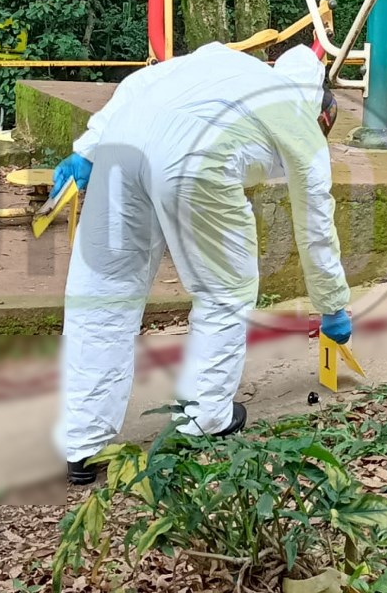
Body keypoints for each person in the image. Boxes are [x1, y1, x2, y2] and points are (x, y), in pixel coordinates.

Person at [50, 42, 353, 485]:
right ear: (323, 109)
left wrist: (89, 146)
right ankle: (205, 417)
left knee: (102, 296)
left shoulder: (222, 59)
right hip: (196, 160)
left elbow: (142, 80)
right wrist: (333, 304)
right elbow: (315, 222)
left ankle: (84, 444)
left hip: (121, 145)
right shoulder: (301, 119)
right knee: (224, 291)